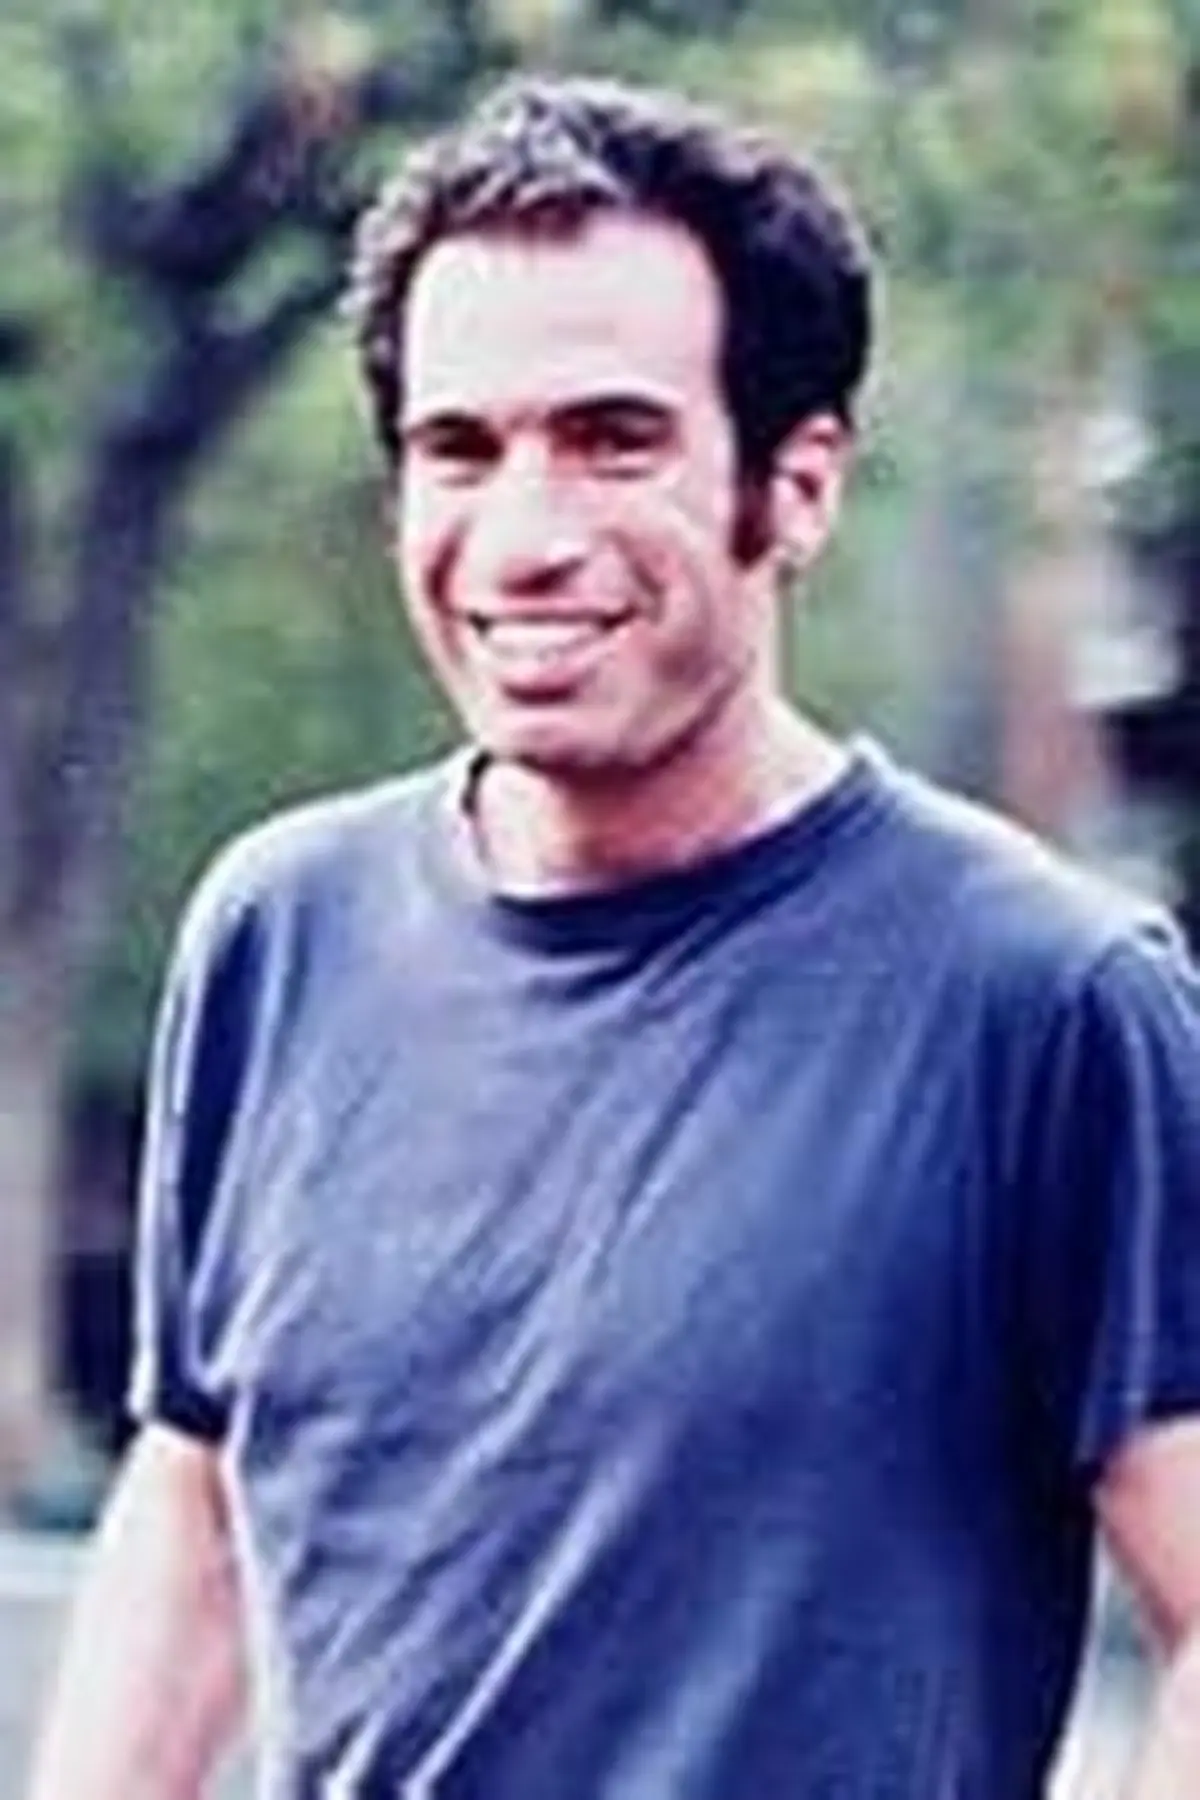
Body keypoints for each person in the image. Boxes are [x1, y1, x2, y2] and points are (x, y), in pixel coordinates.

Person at [29, 74, 1200, 1800]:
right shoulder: (280, 929)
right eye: (459, 449)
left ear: (796, 486)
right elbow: (195, 1504)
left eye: (612, 439)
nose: (523, 538)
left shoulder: (1045, 1000)